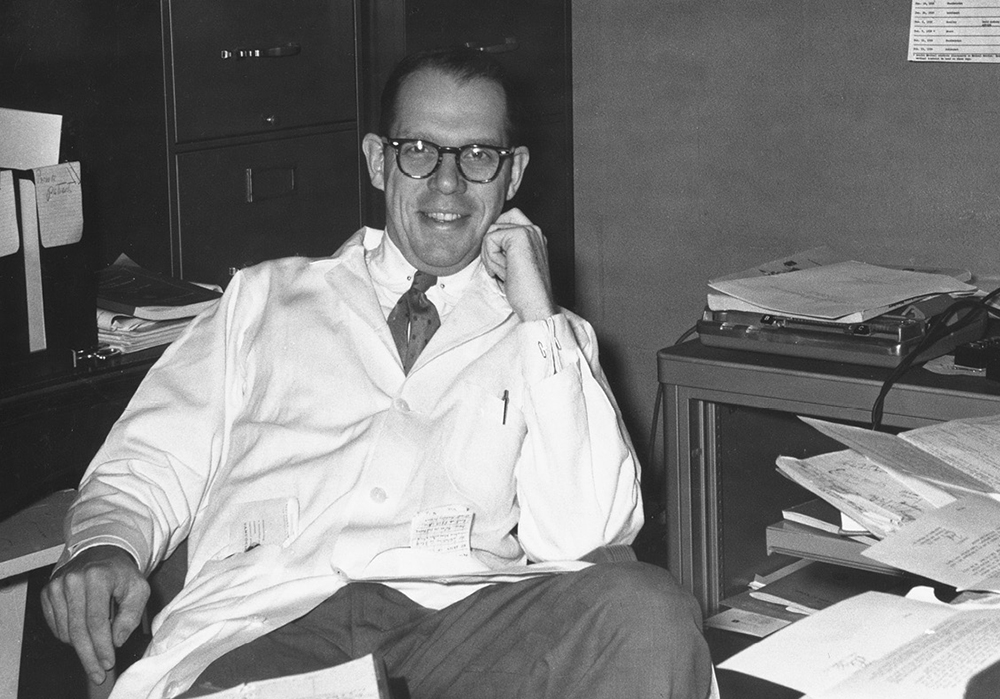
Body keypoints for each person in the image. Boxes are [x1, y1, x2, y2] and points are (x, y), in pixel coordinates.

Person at [41, 47, 716, 699]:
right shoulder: (263, 299)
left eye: (478, 156)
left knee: (649, 615)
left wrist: (537, 313)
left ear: (511, 176)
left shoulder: (548, 341)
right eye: (418, 150)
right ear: (377, 160)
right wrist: (106, 545)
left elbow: (589, 531)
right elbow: (143, 463)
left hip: (459, 632)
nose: (447, 183)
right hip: (268, 627)